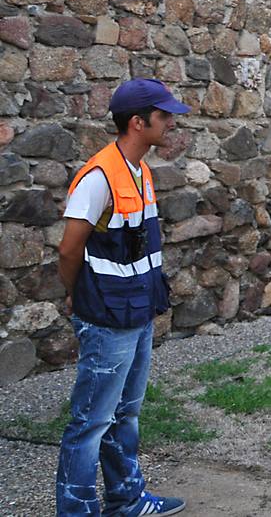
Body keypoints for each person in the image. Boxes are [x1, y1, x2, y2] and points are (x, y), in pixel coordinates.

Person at [55, 78, 191, 516]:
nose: (171, 122)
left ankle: (126, 500)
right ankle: (77, 511)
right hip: (108, 317)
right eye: (164, 115)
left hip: (136, 310)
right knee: (91, 421)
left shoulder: (141, 172)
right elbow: (69, 248)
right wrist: (76, 294)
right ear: (137, 122)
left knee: (124, 414)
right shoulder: (98, 178)